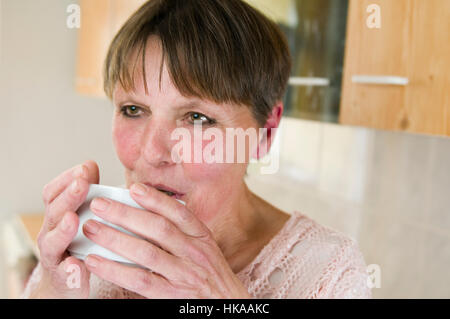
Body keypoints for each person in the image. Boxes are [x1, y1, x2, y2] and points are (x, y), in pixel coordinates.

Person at [22, 0, 371, 298]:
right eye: (133, 110)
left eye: (197, 118)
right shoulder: (86, 243)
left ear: (265, 132)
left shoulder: (329, 272)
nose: (153, 152)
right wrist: (53, 288)